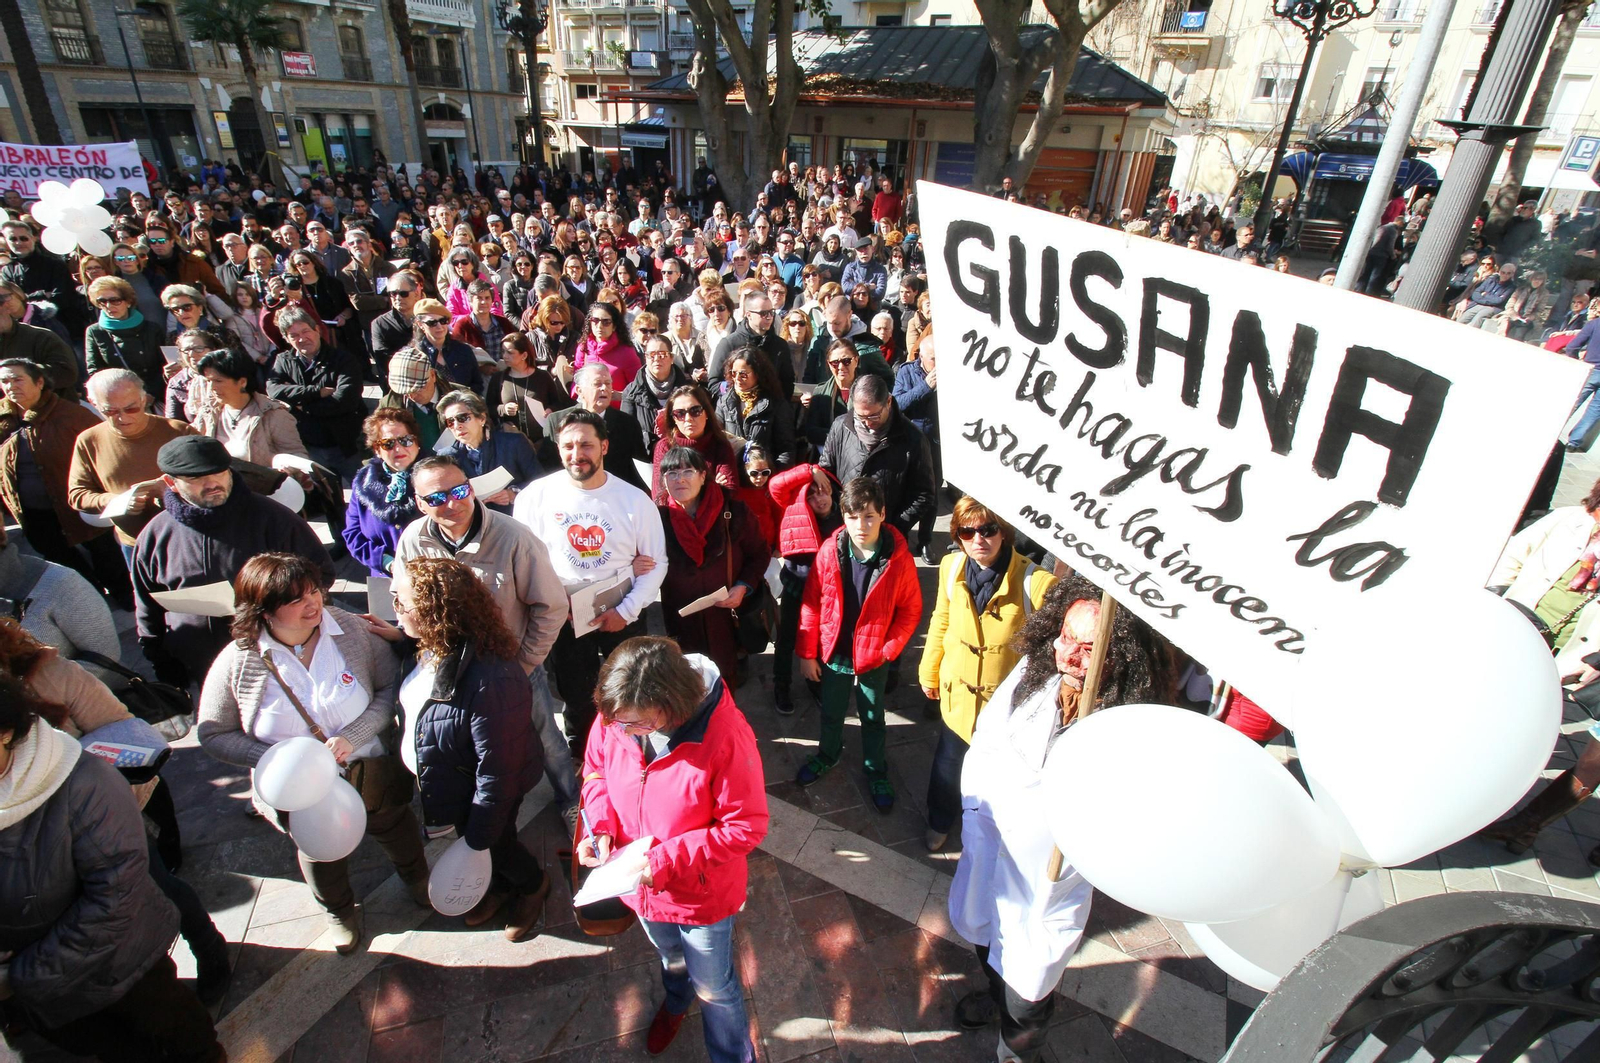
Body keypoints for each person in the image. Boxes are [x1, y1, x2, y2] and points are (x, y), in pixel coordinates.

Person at [949, 575, 1179, 1062]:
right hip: (991, 853)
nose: (1066, 652)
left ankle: (1017, 1051)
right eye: (1064, 636)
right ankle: (994, 997)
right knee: (985, 940)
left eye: (1086, 647)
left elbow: (1127, 823)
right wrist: (975, 814)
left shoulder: (1129, 728)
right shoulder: (1034, 674)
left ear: (1118, 658)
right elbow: (988, 740)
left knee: (1027, 990)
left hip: (1046, 889)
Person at [198, 553, 428, 954]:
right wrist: (281, 761)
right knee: (319, 851)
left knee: (395, 825)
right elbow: (213, 733)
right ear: (264, 612)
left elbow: (390, 690)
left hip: (368, 768)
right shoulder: (239, 660)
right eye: (296, 599)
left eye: (315, 591)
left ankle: (417, 880)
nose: (314, 604)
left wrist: (353, 736)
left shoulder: (351, 630)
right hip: (298, 792)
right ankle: (338, 910)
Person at [0, 674, 225, 1062]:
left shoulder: (80, 781)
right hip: (48, 999)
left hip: (120, 964)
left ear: (5, 732)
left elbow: (116, 894)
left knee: (179, 1035)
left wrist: (18, 978)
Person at [577, 637, 768, 1062]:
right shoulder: (620, 711)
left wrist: (662, 861)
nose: (623, 732)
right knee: (670, 957)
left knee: (715, 988)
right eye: (618, 724)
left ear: (672, 704)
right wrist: (601, 826)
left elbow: (745, 826)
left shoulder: (726, 736)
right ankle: (677, 1001)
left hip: (700, 897)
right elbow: (595, 772)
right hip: (640, 886)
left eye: (637, 725)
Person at [394, 456, 578, 827]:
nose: (453, 502)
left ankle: (571, 801)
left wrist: (524, 662)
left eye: (460, 490)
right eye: (438, 497)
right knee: (454, 742)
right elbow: (403, 597)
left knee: (546, 739)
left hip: (511, 667)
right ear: (419, 502)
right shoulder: (414, 538)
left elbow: (552, 606)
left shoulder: (514, 538)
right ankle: (461, 810)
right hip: (447, 667)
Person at [388, 556, 553, 941]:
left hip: (482, 791)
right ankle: (496, 883)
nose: (395, 609)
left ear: (433, 611)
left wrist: (480, 836)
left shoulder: (491, 679)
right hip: (457, 782)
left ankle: (532, 885)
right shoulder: (432, 646)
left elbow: (498, 774)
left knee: (498, 840)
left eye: (401, 602)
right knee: (486, 843)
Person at [513, 408, 669, 759]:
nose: (576, 454)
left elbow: (657, 562)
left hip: (622, 609)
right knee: (576, 689)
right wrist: (551, 602)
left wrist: (626, 610)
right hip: (565, 613)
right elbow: (524, 560)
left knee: (630, 685)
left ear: (604, 447)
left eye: (585, 445)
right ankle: (585, 752)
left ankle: (630, 749)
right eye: (567, 446)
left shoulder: (634, 500)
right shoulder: (534, 498)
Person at [134, 436, 334, 688]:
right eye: (195, 479)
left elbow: (322, 576)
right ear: (170, 483)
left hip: (273, 659)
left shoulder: (274, 519)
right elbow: (147, 603)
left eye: (219, 473)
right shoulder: (156, 534)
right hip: (200, 664)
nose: (212, 484)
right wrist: (159, 658)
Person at [918, 501, 1055, 852]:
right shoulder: (951, 567)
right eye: (967, 531)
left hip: (1004, 705)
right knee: (948, 763)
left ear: (1002, 531)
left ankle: (989, 830)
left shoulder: (1032, 580)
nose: (978, 539)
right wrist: (929, 669)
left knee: (998, 774)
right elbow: (941, 621)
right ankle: (939, 819)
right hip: (958, 696)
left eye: (987, 530)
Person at [1478, 478, 1600, 863]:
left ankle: (1516, 819)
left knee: (1521, 726)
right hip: (1516, 624)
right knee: (1481, 706)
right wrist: (1493, 596)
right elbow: (1515, 553)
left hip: (1567, 652)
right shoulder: (1567, 521)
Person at [794, 476, 922, 811]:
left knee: (872, 715)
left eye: (868, 516)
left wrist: (888, 650)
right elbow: (812, 602)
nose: (860, 525)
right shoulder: (830, 550)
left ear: (882, 514)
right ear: (844, 516)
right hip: (835, 649)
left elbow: (910, 609)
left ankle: (875, 769)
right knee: (832, 711)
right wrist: (808, 652)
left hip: (874, 653)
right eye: (852, 516)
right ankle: (828, 754)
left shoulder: (898, 559)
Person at [0, 359, 126, 599]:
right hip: (33, 512)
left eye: (18, 379)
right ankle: (88, 599)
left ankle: (126, 599)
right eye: (5, 381)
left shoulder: (72, 416)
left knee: (106, 555)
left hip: (77, 506)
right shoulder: (3, 419)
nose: (11, 386)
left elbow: (109, 452)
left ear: (39, 382)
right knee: (62, 563)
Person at [656, 446, 772, 683]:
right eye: (672, 474)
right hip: (681, 617)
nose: (680, 479)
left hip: (726, 614)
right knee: (688, 682)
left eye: (687, 471)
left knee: (725, 680)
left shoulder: (732, 510)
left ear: (702, 475)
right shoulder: (657, 517)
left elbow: (759, 553)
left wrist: (743, 586)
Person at [68, 369, 195, 563]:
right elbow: (77, 494)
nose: (122, 417)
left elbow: (214, 479)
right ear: (94, 404)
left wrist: (169, 490)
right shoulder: (89, 441)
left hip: (187, 536)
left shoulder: (178, 432)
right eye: (110, 411)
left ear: (144, 399)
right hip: (135, 543)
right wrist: (115, 501)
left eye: (131, 408)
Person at [820, 373, 936, 544]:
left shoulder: (913, 438)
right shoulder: (841, 425)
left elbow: (923, 493)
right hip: (845, 528)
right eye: (861, 417)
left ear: (888, 402)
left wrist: (895, 526)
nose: (867, 423)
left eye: (874, 416)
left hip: (887, 533)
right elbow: (826, 471)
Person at [266, 305, 367, 480]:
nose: (302, 339)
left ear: (317, 330)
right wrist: (315, 392)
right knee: (327, 496)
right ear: (286, 339)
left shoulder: (343, 360)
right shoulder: (283, 360)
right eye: (294, 335)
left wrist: (298, 407)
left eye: (306, 331)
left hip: (345, 443)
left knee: (362, 492)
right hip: (309, 446)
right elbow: (273, 390)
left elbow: (344, 401)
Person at [193, 347, 309, 466]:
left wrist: (286, 468)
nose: (212, 387)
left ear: (242, 382)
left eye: (218, 381)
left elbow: (296, 456)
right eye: (208, 381)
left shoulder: (273, 414)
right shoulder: (208, 411)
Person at [344, 408, 424, 577]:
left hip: (434, 576)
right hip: (386, 579)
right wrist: (388, 563)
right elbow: (352, 535)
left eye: (406, 440)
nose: (398, 448)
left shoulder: (437, 477)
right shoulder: (364, 484)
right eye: (388, 443)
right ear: (376, 450)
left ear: (417, 443)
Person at [438, 389, 541, 513]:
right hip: (475, 522)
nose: (457, 426)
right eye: (450, 422)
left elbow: (540, 480)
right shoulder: (447, 457)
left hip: (514, 516)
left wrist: (513, 493)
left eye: (463, 418)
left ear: (481, 418)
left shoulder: (513, 443)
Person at [892, 333, 940, 563]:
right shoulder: (906, 371)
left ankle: (925, 540)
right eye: (933, 358)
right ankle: (902, 535)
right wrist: (926, 386)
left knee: (932, 494)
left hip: (936, 444)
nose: (937, 364)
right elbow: (897, 404)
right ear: (921, 356)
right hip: (911, 443)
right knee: (906, 492)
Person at [85, 276, 170, 404]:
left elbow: (164, 365)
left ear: (128, 302)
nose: (109, 306)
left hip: (155, 396)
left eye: (115, 300)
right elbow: (95, 370)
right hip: (119, 398)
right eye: (102, 301)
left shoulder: (151, 328)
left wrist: (152, 393)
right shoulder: (95, 331)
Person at [485, 331, 573, 455]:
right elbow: (488, 408)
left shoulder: (542, 377)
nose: (504, 356)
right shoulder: (499, 378)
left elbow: (558, 404)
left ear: (524, 355)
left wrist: (550, 410)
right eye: (503, 352)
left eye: (510, 352)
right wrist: (503, 409)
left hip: (542, 442)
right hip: (512, 443)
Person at [652, 383, 740, 502]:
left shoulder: (720, 445)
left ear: (707, 413)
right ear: (673, 419)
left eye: (695, 411)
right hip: (675, 517)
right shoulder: (665, 447)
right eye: (680, 413)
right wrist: (713, 486)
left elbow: (731, 492)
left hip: (715, 518)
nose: (688, 418)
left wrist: (682, 491)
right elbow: (660, 496)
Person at [715, 347, 798, 468]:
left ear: (758, 374)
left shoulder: (775, 404)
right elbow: (717, 442)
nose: (737, 378)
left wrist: (773, 477)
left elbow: (786, 450)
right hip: (734, 473)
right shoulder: (724, 402)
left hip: (764, 475)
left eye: (743, 374)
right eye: (734, 373)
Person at [0, 282, 79, 397]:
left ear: (6, 307)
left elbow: (68, 374)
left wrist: (23, 372)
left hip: (50, 409)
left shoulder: (41, 337)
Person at [621, 334, 689, 455]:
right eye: (652, 355)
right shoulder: (631, 392)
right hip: (646, 457)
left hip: (683, 455)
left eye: (662, 354)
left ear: (671, 358)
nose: (657, 359)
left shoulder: (688, 389)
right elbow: (626, 432)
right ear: (645, 358)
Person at [379, 346, 447, 452]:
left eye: (418, 388)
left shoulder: (461, 397)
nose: (412, 396)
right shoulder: (388, 405)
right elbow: (374, 443)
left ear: (432, 375)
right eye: (405, 391)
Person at [411, 298, 483, 393]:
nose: (439, 326)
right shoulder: (416, 356)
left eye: (443, 321)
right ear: (420, 324)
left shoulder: (463, 350)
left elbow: (477, 384)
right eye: (432, 323)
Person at [572, 301, 641, 402]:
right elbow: (577, 380)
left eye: (606, 322)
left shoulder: (626, 351)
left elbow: (638, 388)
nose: (599, 326)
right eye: (595, 320)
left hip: (616, 413)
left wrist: (621, 396)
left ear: (614, 326)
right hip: (589, 411)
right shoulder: (583, 347)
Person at [370, 271, 424, 390]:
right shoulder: (379, 324)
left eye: (403, 293)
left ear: (416, 294)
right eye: (393, 293)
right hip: (396, 381)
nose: (398, 298)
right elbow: (382, 357)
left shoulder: (428, 319)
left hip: (426, 377)